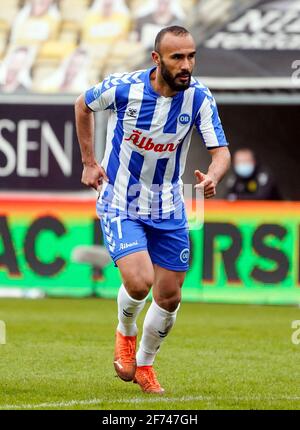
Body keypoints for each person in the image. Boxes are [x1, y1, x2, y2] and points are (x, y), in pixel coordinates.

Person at [75, 26, 231, 394]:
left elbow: (220, 151)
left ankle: (145, 364)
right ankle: (125, 332)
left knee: (170, 295)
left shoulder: (199, 98)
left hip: (169, 206)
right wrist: (88, 161)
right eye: (178, 57)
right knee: (139, 280)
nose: (187, 65)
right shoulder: (124, 88)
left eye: (191, 56)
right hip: (120, 201)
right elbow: (82, 104)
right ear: (156, 59)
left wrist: (213, 175)